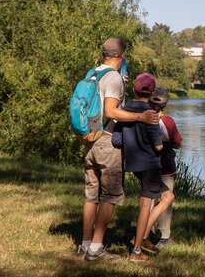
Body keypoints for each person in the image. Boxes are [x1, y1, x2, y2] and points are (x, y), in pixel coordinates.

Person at [80, 38, 158, 261]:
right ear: (121, 55)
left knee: (91, 194)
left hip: (89, 139)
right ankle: (96, 248)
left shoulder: (92, 73)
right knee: (110, 195)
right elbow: (111, 112)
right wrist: (140, 116)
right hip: (106, 141)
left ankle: (86, 244)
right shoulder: (113, 77)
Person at [111, 73, 172, 262]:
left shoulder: (124, 110)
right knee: (146, 205)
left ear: (134, 89)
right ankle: (136, 250)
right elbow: (159, 146)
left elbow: (117, 139)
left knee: (167, 196)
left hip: (133, 162)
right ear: (152, 92)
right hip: (150, 165)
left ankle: (142, 237)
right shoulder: (151, 114)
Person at [145, 88, 182, 249]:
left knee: (149, 199)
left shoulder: (141, 118)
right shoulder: (167, 121)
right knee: (166, 200)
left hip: (146, 163)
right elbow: (178, 142)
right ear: (165, 104)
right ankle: (164, 236)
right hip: (165, 164)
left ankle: (147, 231)